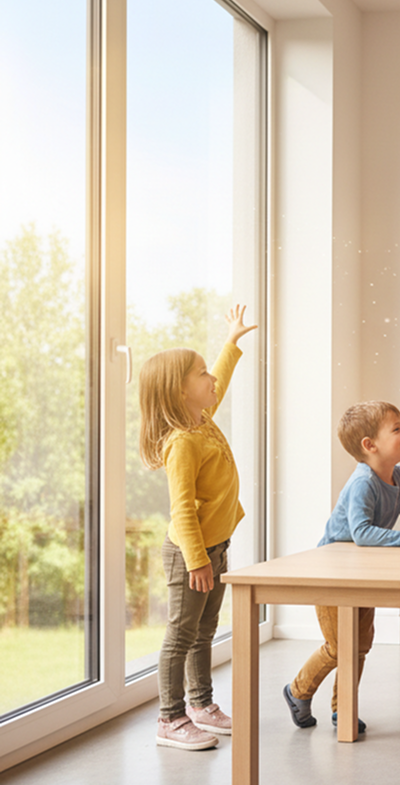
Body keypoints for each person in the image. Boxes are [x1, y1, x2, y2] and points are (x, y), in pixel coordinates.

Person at [282, 401, 400, 734]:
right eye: (397, 429)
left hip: (360, 573)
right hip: (332, 577)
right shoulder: (363, 483)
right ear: (370, 446)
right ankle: (297, 691)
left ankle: (343, 709)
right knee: (339, 646)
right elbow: (362, 531)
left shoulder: (398, 476)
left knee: (358, 645)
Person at [139, 304, 258, 751]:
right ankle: (169, 719)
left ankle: (201, 706)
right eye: (201, 373)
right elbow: (182, 510)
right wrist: (197, 561)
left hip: (217, 546)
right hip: (192, 553)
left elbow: (221, 384)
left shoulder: (202, 419)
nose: (211, 379)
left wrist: (231, 342)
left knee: (205, 631)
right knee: (180, 634)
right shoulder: (182, 442)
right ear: (179, 391)